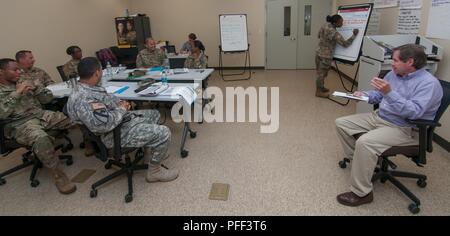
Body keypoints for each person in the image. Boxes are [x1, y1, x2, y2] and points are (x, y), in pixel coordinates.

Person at [335, 44, 443, 207]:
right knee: (342, 123)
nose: (392, 64)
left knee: (365, 142)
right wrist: (364, 94)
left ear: (410, 62)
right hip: (380, 117)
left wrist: (389, 93)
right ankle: (362, 164)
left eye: (395, 60)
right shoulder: (395, 73)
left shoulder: (429, 84)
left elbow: (414, 112)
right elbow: (378, 95)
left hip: (404, 127)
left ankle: (361, 193)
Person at [66, 57, 179, 183]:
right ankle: (154, 172)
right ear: (97, 73)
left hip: (116, 122)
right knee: (163, 132)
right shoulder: (84, 99)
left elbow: (105, 101)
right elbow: (103, 125)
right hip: (110, 135)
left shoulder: (86, 87)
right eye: (101, 70)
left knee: (154, 114)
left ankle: (148, 154)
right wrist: (122, 109)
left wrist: (120, 103)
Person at [0, 58, 77, 194]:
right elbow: (2, 114)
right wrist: (17, 93)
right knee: (41, 139)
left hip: (40, 115)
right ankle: (59, 176)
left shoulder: (22, 80)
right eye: (15, 70)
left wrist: (36, 89)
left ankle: (90, 144)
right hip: (19, 124)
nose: (19, 72)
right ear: (1, 72)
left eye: (19, 68)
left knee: (75, 118)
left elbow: (48, 99)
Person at [315, 14, 359, 98]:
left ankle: (321, 87)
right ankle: (319, 92)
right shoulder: (334, 32)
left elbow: (318, 35)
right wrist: (354, 35)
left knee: (319, 73)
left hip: (318, 53)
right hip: (326, 56)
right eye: (341, 22)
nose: (342, 23)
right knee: (322, 74)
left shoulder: (324, 25)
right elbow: (345, 44)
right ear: (335, 23)